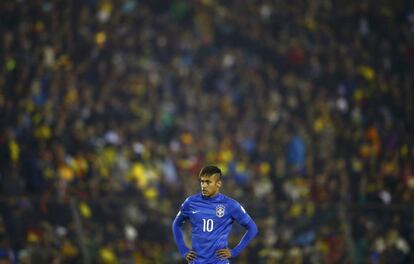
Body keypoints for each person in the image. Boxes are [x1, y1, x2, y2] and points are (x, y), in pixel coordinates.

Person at [172, 165, 258, 263]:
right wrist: (183, 250)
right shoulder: (191, 202)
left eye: (208, 182)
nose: (204, 185)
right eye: (202, 181)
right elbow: (176, 224)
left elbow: (252, 228)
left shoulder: (230, 205)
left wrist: (234, 252)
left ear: (218, 184)